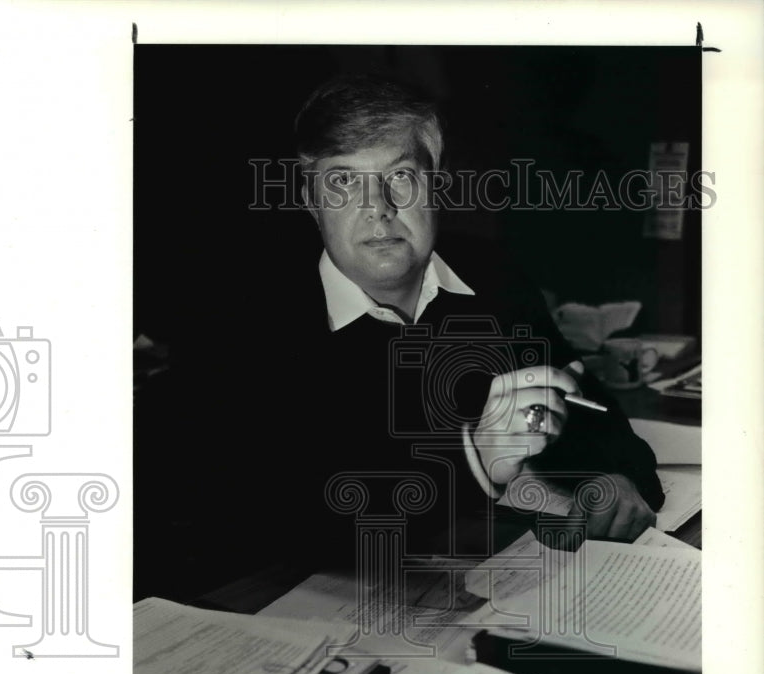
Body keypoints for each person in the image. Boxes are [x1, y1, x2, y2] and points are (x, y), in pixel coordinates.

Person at [135, 73, 663, 599]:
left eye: (401, 177)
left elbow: (580, 399)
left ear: (436, 185)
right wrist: (474, 460)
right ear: (309, 199)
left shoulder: (494, 278)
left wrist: (609, 473)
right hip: (321, 608)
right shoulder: (245, 322)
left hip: (507, 582)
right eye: (343, 181)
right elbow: (279, 517)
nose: (378, 207)